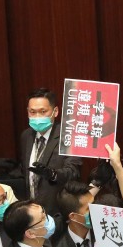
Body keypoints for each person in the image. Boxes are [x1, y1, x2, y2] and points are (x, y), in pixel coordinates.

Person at [18, 88, 83, 219]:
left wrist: (53, 174)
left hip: (58, 213)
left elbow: (73, 172)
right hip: (32, 213)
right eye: (32, 112)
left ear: (55, 111)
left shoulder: (68, 136)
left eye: (43, 111)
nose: (37, 117)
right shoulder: (26, 136)